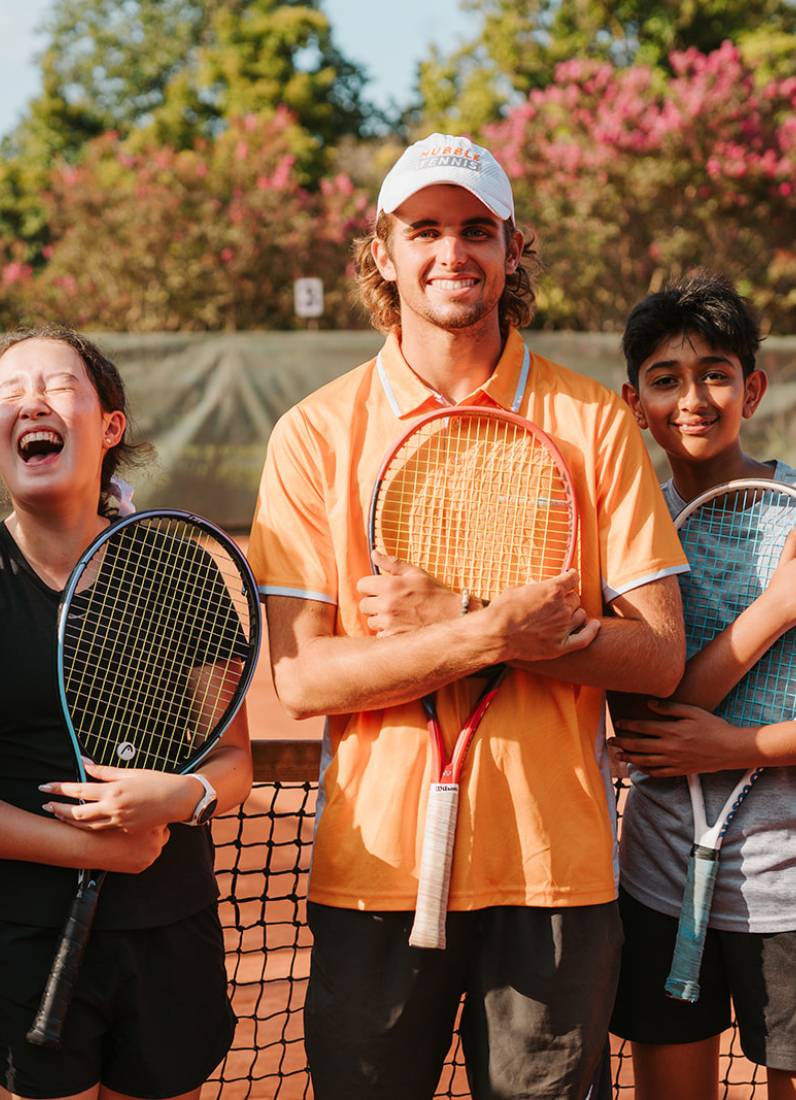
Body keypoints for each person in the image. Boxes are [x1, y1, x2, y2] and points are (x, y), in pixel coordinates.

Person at [247, 133, 690, 1100]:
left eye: (477, 230)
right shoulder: (316, 433)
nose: (453, 252)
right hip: (376, 868)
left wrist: (459, 613)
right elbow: (303, 677)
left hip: (557, 874)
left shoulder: (592, 421)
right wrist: (488, 634)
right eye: (427, 230)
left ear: (514, 248)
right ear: (383, 251)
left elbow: (658, 656)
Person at [0, 326, 252, 1100]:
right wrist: (81, 848)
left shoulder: (180, 565)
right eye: (8, 394)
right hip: (10, 943)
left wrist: (183, 796)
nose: (30, 403)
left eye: (55, 385)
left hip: (168, 932)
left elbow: (232, 761)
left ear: (110, 425)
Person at [608, 273, 796, 1100]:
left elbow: (687, 721)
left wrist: (734, 746)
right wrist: (780, 610)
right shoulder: (624, 533)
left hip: (790, 887)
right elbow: (647, 721)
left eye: (716, 373)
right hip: (658, 875)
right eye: (666, 378)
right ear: (632, 401)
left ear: (752, 387)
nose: (694, 398)